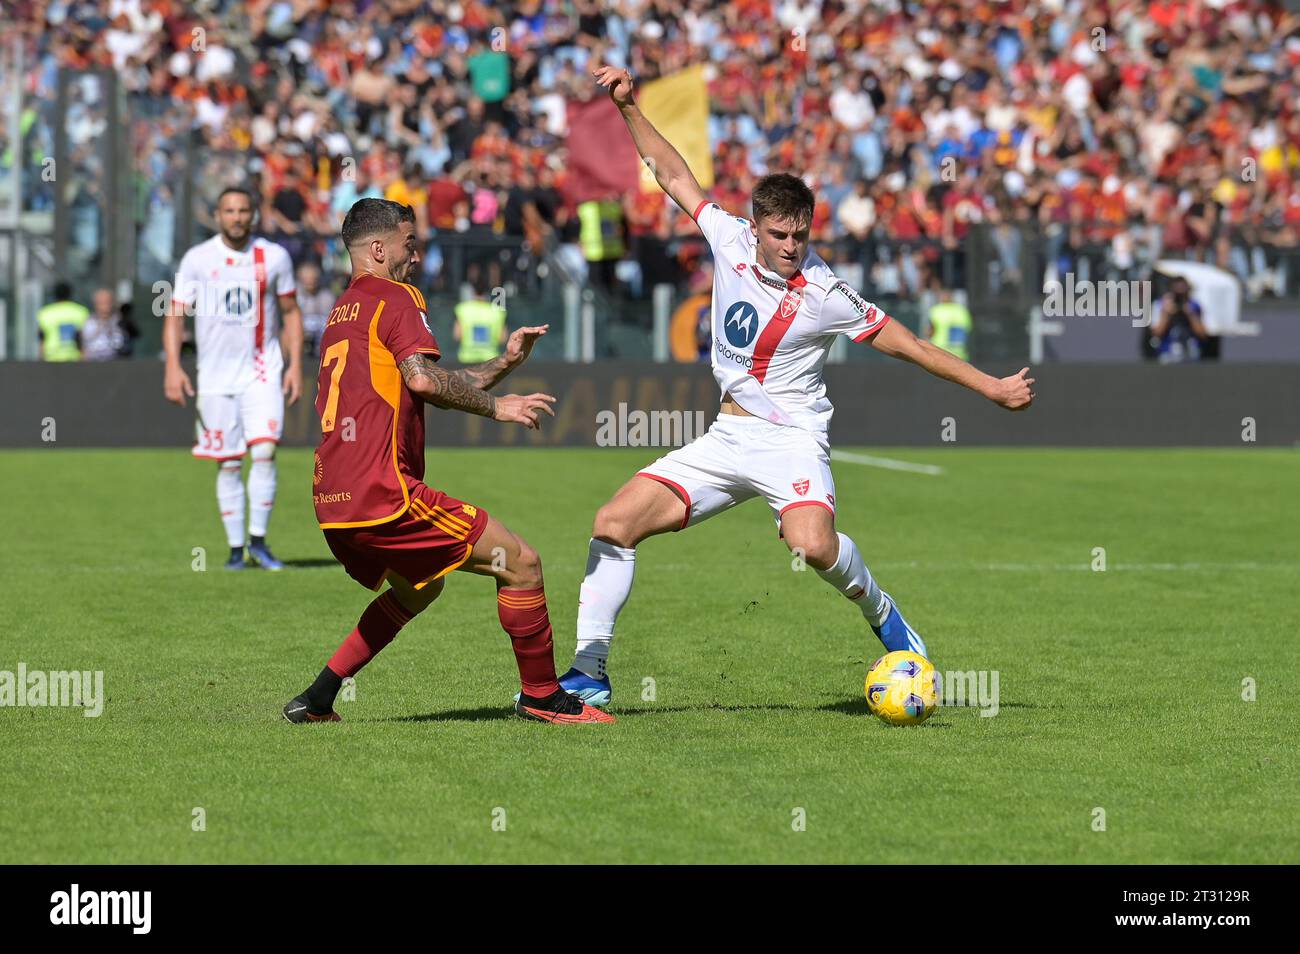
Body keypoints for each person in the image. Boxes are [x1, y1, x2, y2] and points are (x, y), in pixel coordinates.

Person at [556, 67, 1036, 707]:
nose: (790, 246)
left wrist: (992, 389)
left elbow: (913, 346)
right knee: (613, 522)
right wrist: (628, 108)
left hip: (791, 441)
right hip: (727, 436)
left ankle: (886, 616)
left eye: (800, 235)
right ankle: (589, 675)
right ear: (755, 226)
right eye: (779, 234)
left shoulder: (827, 295)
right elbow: (671, 173)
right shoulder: (726, 238)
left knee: (811, 547)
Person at [283, 198, 612, 725]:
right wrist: (498, 407)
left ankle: (317, 699)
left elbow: (424, 378)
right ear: (378, 248)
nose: (416, 256)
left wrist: (504, 363)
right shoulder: (396, 296)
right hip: (383, 492)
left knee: (421, 585)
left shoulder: (342, 312)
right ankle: (544, 698)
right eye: (409, 245)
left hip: (333, 500)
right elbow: (422, 379)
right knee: (522, 564)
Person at [163, 187, 304, 571]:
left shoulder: (274, 257)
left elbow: (291, 311)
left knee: (264, 452)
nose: (237, 217)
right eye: (229, 210)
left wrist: (294, 366)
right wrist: (173, 366)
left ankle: (259, 542)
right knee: (228, 463)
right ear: (217, 215)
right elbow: (175, 314)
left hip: (262, 372)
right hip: (214, 378)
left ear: (253, 215)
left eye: (244, 210)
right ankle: (234, 549)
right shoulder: (198, 259)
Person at [1148, 277, 1209, 363]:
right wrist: (1166, 314)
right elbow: (1156, 333)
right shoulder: (1160, 304)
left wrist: (1190, 314)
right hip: (1168, 352)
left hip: (1190, 352)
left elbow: (1203, 334)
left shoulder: (1195, 305)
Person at [452, 277, 507, 364]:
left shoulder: (462, 309)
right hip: (490, 360)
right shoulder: (498, 312)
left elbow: (457, 335)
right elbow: (503, 338)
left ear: (472, 291)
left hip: (467, 359)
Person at [36, 282, 88, 362]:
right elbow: (84, 338)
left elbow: (42, 339)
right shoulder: (81, 311)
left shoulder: (45, 313)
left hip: (51, 357)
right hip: (74, 357)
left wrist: (40, 358)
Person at [295, 262, 335, 359]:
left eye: (313, 279)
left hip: (322, 344)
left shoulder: (328, 297)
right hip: (301, 343)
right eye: (306, 280)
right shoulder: (295, 297)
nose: (310, 283)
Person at [924, 284, 972, 360]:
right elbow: (968, 329)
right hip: (959, 353)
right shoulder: (962, 310)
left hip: (940, 352)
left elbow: (929, 331)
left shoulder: (936, 310)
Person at [81, 288, 131, 361]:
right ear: (96, 304)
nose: (105, 306)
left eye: (108, 302)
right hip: (93, 364)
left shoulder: (121, 322)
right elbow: (84, 347)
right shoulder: (89, 323)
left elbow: (122, 344)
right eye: (101, 303)